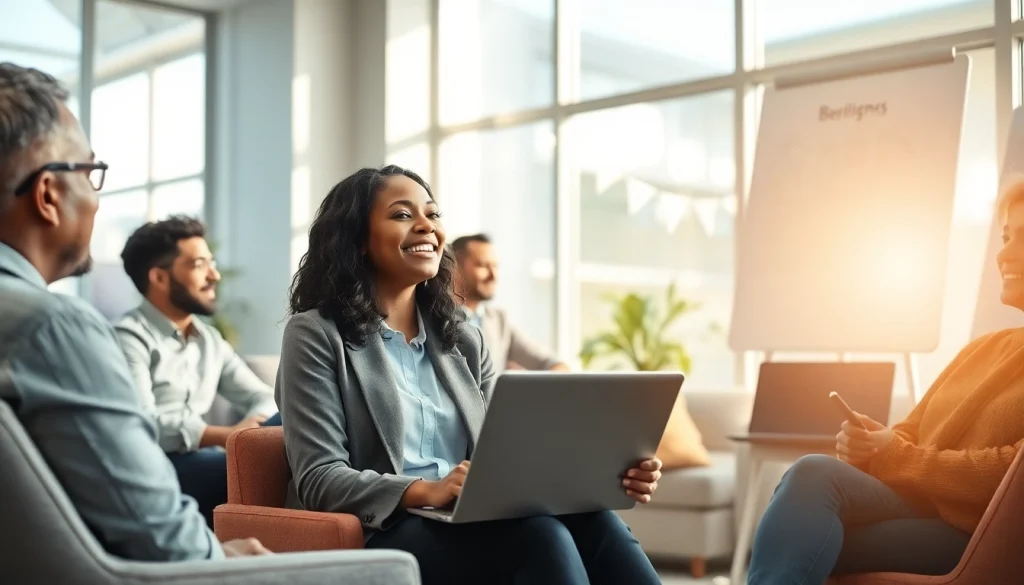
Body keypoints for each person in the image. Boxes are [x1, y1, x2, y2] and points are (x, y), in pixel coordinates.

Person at [278, 164, 663, 585]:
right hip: (388, 527)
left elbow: (505, 451)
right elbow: (318, 476)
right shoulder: (316, 334)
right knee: (541, 537)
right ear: (358, 240)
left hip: (470, 513)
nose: (426, 226)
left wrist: (599, 474)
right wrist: (426, 490)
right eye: (403, 215)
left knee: (597, 522)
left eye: (433, 214)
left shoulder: (463, 338)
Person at [0, 62, 268, 560]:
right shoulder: (51, 328)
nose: (97, 202)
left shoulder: (208, 341)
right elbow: (166, 543)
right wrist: (227, 558)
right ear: (48, 195)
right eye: (90, 172)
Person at [747, 180, 1024, 584]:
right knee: (812, 476)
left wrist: (894, 454)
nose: (1003, 254)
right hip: (916, 507)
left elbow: (1007, 476)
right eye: (1005, 236)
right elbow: (909, 432)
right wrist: (872, 446)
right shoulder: (981, 349)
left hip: (974, 534)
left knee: (801, 533)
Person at [115, 215, 280, 527]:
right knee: (241, 470)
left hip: (203, 457)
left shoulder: (209, 339)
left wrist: (247, 431)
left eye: (211, 263)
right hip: (156, 464)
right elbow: (142, 424)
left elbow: (263, 396)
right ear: (159, 278)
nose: (214, 275)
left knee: (286, 418)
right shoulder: (129, 337)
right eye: (199, 264)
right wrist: (224, 436)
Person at [450, 233, 569, 373]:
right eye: (482, 265)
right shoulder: (436, 317)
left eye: (495, 266)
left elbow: (550, 362)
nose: (493, 275)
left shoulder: (499, 321)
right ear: (455, 269)